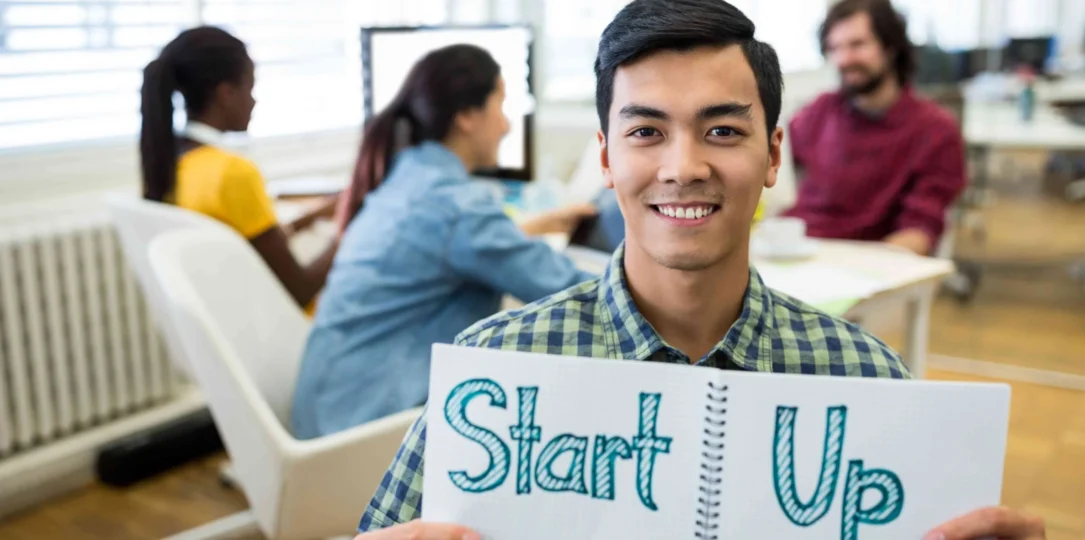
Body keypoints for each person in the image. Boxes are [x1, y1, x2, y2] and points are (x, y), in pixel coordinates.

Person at [353, 1, 1045, 539]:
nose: (683, 168)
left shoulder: (865, 379)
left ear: (774, 155)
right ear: (605, 158)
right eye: (646, 132)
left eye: (722, 130)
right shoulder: (494, 376)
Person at [289, 44, 597, 440]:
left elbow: (441, 248)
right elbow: (570, 290)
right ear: (467, 116)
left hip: (326, 410)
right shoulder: (456, 207)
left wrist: (536, 226)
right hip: (366, 431)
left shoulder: (408, 180)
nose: (505, 125)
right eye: (500, 105)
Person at [139, 26, 338, 311]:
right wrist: (350, 229)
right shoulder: (232, 172)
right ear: (226, 93)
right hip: (293, 331)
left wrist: (309, 218)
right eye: (250, 87)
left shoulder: (173, 164)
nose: (254, 100)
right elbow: (302, 289)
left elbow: (248, 246)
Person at [779, 0, 966, 256]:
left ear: (890, 46)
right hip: (794, 252)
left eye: (857, 45)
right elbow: (769, 157)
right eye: (835, 48)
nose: (844, 59)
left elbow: (920, 232)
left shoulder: (934, 130)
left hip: (862, 267)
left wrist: (852, 271)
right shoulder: (822, 110)